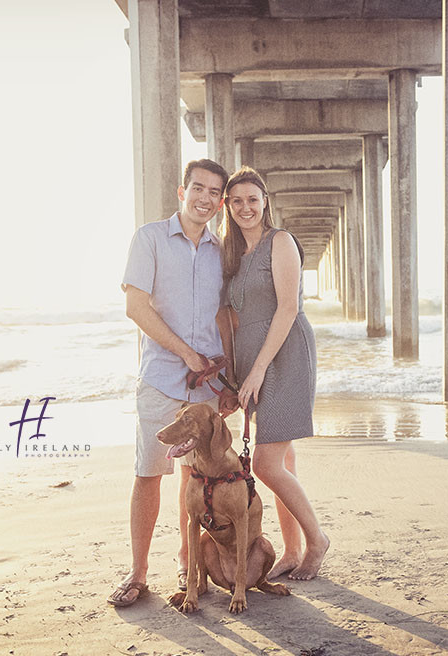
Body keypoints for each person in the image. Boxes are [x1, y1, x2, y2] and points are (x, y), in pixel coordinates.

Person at [108, 158, 233, 607]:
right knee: (148, 473)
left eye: (213, 192)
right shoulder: (150, 239)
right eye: (196, 188)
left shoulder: (223, 252)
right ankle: (138, 572)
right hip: (162, 378)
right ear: (183, 192)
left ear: (221, 203)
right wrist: (186, 353)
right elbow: (136, 308)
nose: (204, 198)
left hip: (207, 388)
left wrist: (230, 378)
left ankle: (187, 562)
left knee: (195, 477)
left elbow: (228, 317)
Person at [220, 166, 330, 580]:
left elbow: (287, 309)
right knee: (282, 456)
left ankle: (316, 540)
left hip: (284, 355)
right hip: (252, 360)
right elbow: (231, 318)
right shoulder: (233, 255)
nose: (245, 207)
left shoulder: (280, 242)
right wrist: (236, 373)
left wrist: (259, 371)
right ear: (227, 207)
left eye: (252, 198)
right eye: (236, 201)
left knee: (266, 464)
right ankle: (291, 550)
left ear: (265, 201)